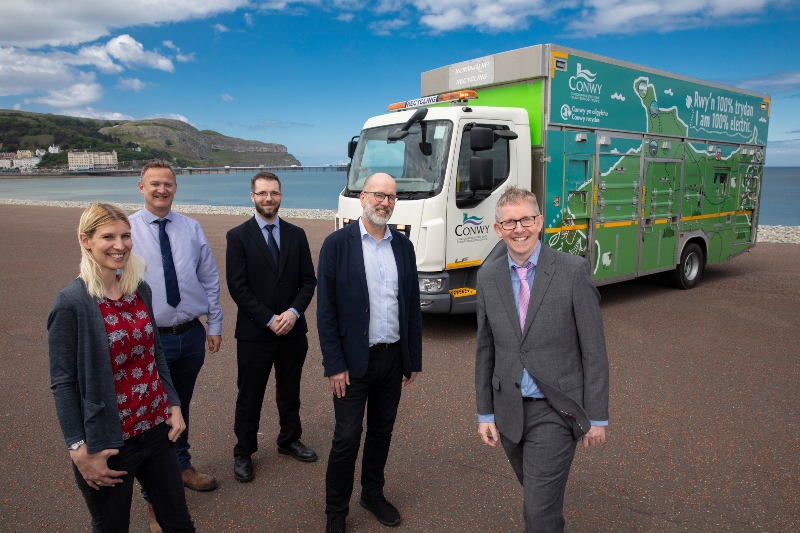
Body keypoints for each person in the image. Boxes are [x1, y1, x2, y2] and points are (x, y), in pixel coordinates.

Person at [47, 202, 195, 532]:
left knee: (179, 523)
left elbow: (155, 355)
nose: (120, 245)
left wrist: (172, 403)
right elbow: (62, 382)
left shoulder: (138, 289)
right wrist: (79, 450)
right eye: (108, 237)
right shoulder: (71, 303)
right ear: (86, 240)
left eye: (126, 236)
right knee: (113, 526)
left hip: (156, 429)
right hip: (110, 442)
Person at [475, 186, 610, 533]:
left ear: (539, 222)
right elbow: (485, 349)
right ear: (497, 229)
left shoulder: (572, 271)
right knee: (540, 499)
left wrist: (596, 416)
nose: (518, 229)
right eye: (509, 222)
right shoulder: (487, 277)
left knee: (537, 512)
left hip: (555, 409)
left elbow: (594, 350)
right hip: (509, 412)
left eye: (526, 220)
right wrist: (485, 412)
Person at [317, 172, 423, 533]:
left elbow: (411, 305)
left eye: (391, 198)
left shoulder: (403, 246)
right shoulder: (336, 244)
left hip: (391, 358)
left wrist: (412, 359)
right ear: (363, 198)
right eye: (379, 196)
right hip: (351, 363)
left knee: (382, 431)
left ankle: (372, 493)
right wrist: (334, 364)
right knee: (347, 437)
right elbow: (326, 311)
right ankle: (336, 511)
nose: (385, 203)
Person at [129, 161, 223, 531]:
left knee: (180, 407)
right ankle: (154, 499)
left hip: (190, 336)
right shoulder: (128, 231)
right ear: (141, 187)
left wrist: (213, 325)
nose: (161, 190)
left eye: (167, 184)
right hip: (150, 342)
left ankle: (181, 467)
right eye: (154, 184)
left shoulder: (191, 228)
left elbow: (209, 278)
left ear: (175, 188)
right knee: (152, 418)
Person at [226, 171, 318, 483]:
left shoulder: (296, 234)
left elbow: (308, 280)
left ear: (281, 195)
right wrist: (269, 318)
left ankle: (289, 439)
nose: (269, 198)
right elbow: (238, 288)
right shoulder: (238, 236)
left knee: (289, 391)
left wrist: (292, 313)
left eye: (274, 193)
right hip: (255, 333)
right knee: (249, 395)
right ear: (251, 196)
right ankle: (243, 451)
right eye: (263, 193)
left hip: (293, 331)